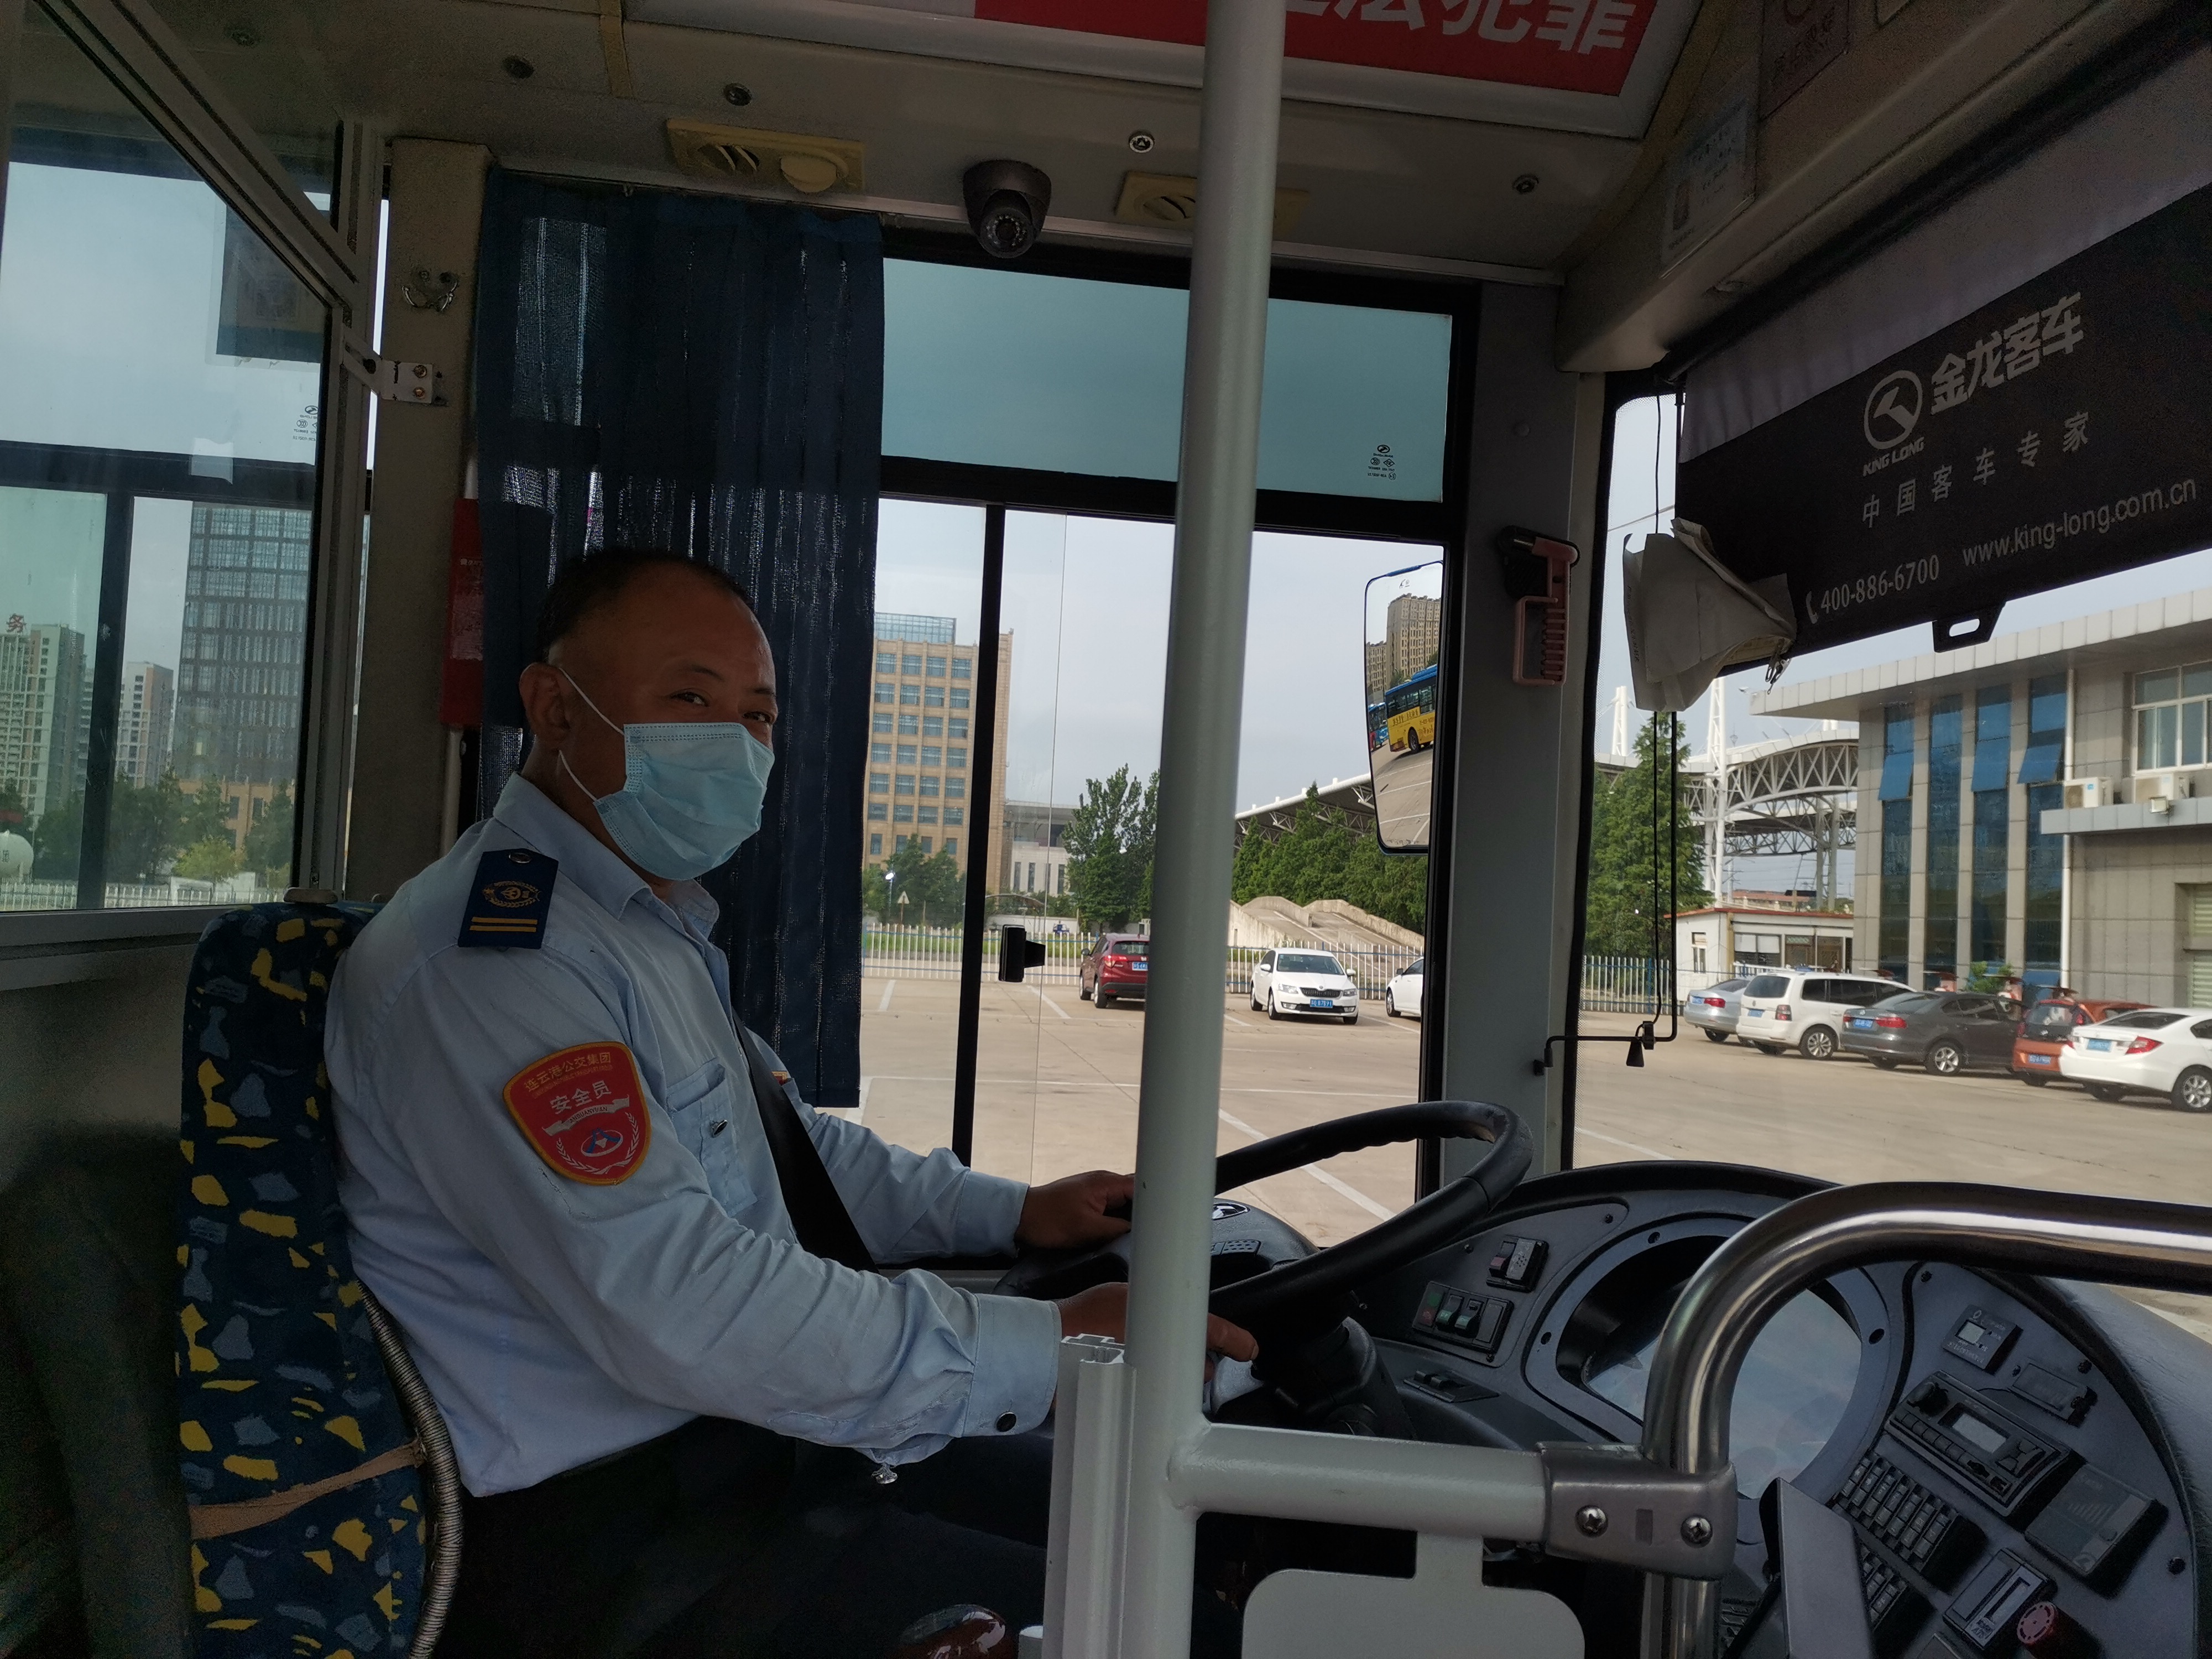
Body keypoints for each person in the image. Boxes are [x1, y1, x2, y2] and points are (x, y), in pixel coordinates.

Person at [327, 551, 1256, 1658]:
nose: (736, 740)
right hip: (625, 1553)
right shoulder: (493, 964)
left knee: (1182, 1539)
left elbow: (791, 1149)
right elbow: (681, 1303)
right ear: (553, 708)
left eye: (757, 714)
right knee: (1174, 1626)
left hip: (750, 1457)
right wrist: (1047, 1342)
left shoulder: (636, 928)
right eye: (690, 699)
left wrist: (1013, 1213)